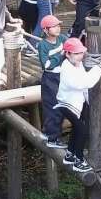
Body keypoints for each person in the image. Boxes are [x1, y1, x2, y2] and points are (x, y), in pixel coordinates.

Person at [53, 37, 101, 172]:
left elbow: (84, 80)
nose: (80, 56)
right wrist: (99, 67)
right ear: (67, 54)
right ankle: (78, 160)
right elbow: (84, 82)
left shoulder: (77, 63)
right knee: (82, 129)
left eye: (81, 52)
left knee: (78, 128)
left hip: (77, 102)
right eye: (76, 53)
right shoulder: (67, 69)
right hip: (67, 104)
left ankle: (70, 154)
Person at [38, 15, 67, 148]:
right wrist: (60, 55)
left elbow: (70, 48)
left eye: (58, 25)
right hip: (50, 79)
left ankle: (54, 134)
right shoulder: (43, 45)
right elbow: (47, 65)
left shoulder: (62, 38)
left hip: (63, 76)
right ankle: (51, 137)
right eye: (54, 26)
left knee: (62, 106)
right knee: (52, 107)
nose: (58, 28)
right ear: (46, 30)